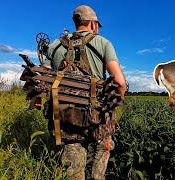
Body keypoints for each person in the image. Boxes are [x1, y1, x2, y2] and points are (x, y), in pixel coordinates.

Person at [46, 5, 127, 179]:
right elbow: (120, 82)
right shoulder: (102, 43)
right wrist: (116, 105)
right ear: (92, 24)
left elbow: (45, 77)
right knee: (103, 147)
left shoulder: (55, 45)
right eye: (97, 25)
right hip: (96, 112)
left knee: (73, 163)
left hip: (65, 112)